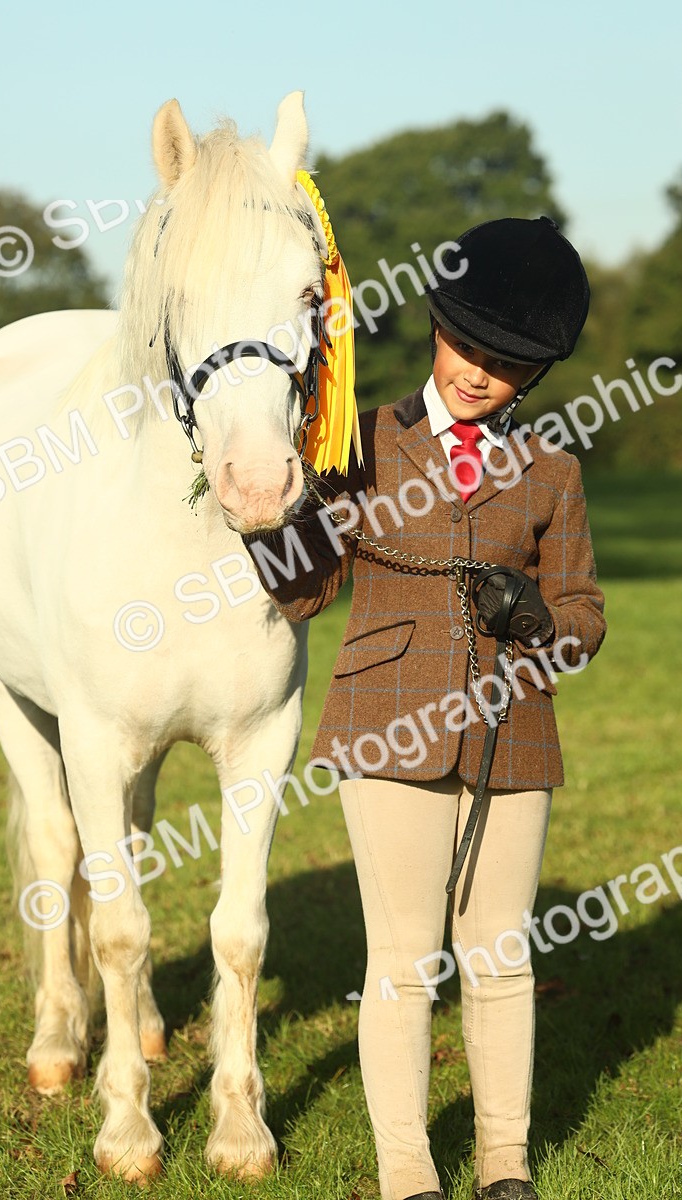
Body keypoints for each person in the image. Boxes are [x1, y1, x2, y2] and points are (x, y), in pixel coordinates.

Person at [243, 216, 607, 1200]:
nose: (478, 374)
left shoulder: (551, 474)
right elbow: (306, 590)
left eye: (507, 363)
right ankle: (406, 1170)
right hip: (384, 724)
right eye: (467, 346)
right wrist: (267, 527)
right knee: (403, 955)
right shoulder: (356, 444)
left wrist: (535, 617)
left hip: (510, 730)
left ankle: (503, 1163)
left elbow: (582, 617)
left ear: (532, 376)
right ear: (435, 328)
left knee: (497, 955)